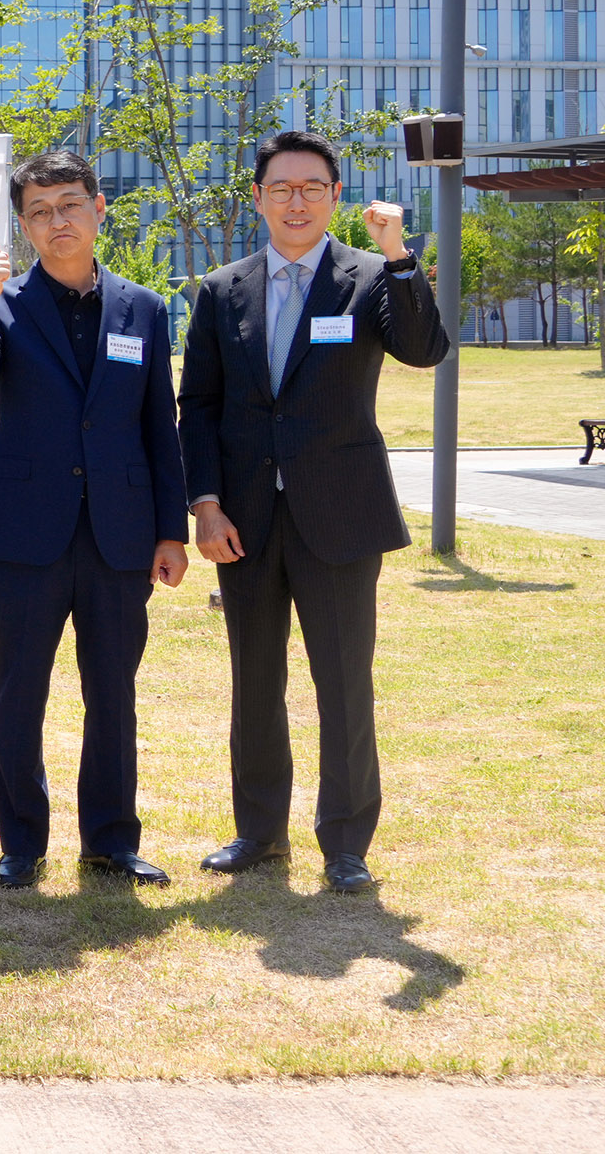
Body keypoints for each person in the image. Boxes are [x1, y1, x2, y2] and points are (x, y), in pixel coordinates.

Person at [181, 129, 448, 894]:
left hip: (341, 516)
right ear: (257, 198)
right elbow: (196, 406)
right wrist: (205, 504)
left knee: (343, 680)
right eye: (280, 188)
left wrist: (400, 254)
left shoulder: (371, 277)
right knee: (254, 680)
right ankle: (259, 833)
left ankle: (346, 842)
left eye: (312, 188)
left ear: (335, 197)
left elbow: (425, 349)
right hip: (244, 522)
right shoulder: (222, 288)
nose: (295, 201)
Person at [0, 152, 188, 890]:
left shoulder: (143, 308)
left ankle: (111, 841)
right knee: (21, 688)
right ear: (24, 226)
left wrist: (170, 529)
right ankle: (21, 843)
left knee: (113, 691)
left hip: (119, 529)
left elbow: (158, 424)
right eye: (41, 211)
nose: (59, 221)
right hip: (26, 529)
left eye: (70, 204)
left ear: (99, 208)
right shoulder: (5, 302)